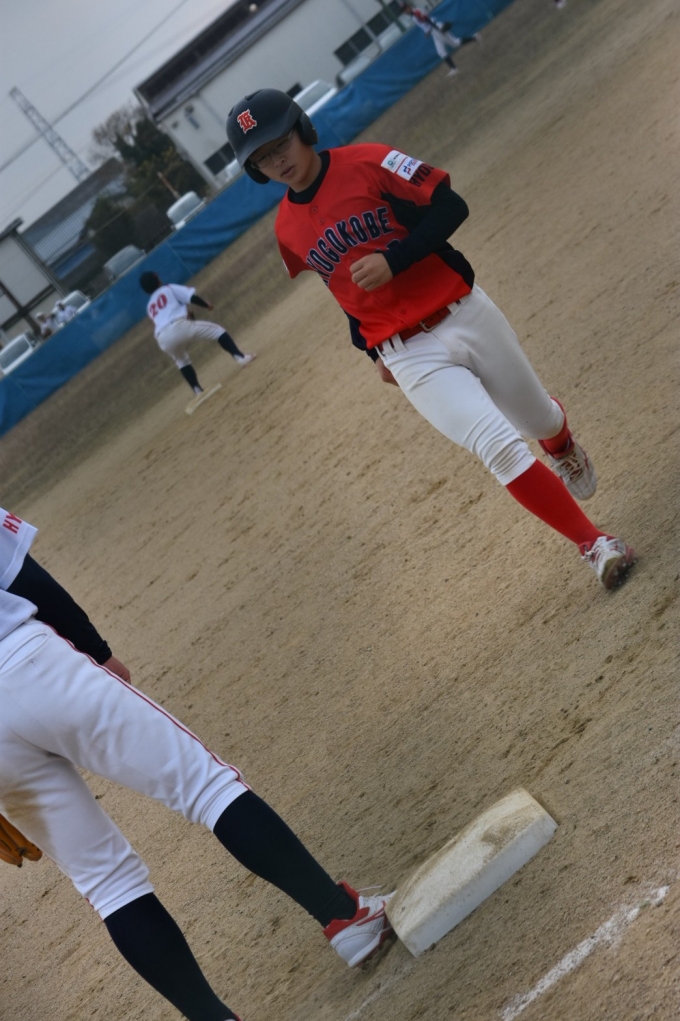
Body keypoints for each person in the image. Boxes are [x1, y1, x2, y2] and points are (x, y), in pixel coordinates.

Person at [226, 90, 636, 590]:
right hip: (407, 353)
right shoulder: (287, 230)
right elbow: (343, 291)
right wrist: (372, 350)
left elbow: (451, 207)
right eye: (262, 158)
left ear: (303, 129)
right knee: (497, 446)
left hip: (462, 310)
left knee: (538, 418)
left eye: (280, 143)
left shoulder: (370, 160)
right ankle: (595, 544)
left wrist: (395, 259)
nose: (277, 160)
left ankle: (560, 441)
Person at [0, 507, 393, 1021]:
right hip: (32, 665)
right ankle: (346, 918)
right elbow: (21, 576)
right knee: (207, 789)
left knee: (107, 884)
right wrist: (96, 651)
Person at [139, 271, 256, 405]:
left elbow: (164, 317)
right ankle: (240, 358)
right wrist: (206, 305)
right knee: (217, 331)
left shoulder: (150, 306)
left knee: (181, 360)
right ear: (158, 279)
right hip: (177, 326)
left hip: (161, 337)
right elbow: (190, 297)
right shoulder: (168, 288)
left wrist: (185, 316)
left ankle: (197, 391)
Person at [400, 4, 480, 77]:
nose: (406, 11)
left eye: (406, 8)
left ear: (409, 6)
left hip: (436, 29)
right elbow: (425, 20)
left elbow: (427, 19)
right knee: (441, 51)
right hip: (434, 31)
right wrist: (428, 31)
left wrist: (435, 28)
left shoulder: (416, 12)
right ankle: (454, 69)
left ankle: (475, 38)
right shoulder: (414, 14)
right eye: (404, 10)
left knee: (455, 43)